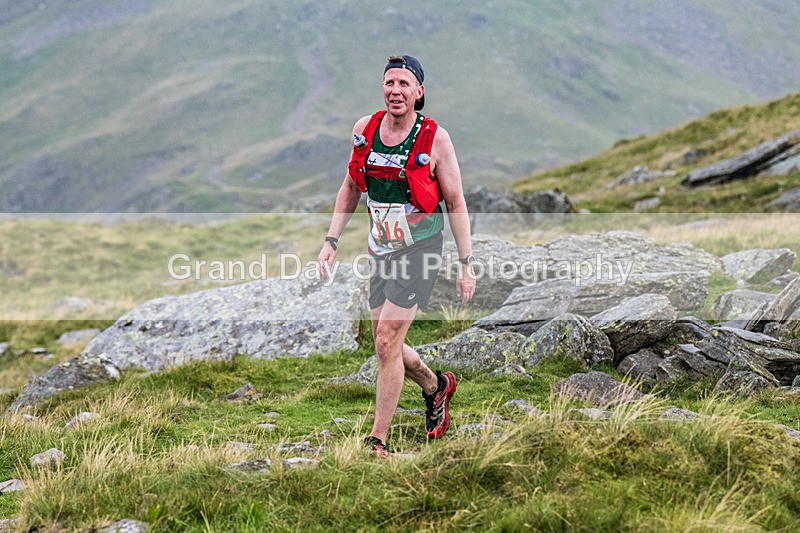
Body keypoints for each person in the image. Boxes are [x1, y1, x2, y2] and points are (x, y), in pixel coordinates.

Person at [317, 55, 476, 457]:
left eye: (405, 84)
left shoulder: (435, 139)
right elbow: (351, 187)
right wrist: (331, 240)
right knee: (384, 342)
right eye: (390, 83)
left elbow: (455, 201)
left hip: (421, 248)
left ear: (419, 92)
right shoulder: (364, 130)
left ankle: (377, 440)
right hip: (381, 247)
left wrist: (466, 263)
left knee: (387, 340)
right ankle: (436, 386)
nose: (395, 91)